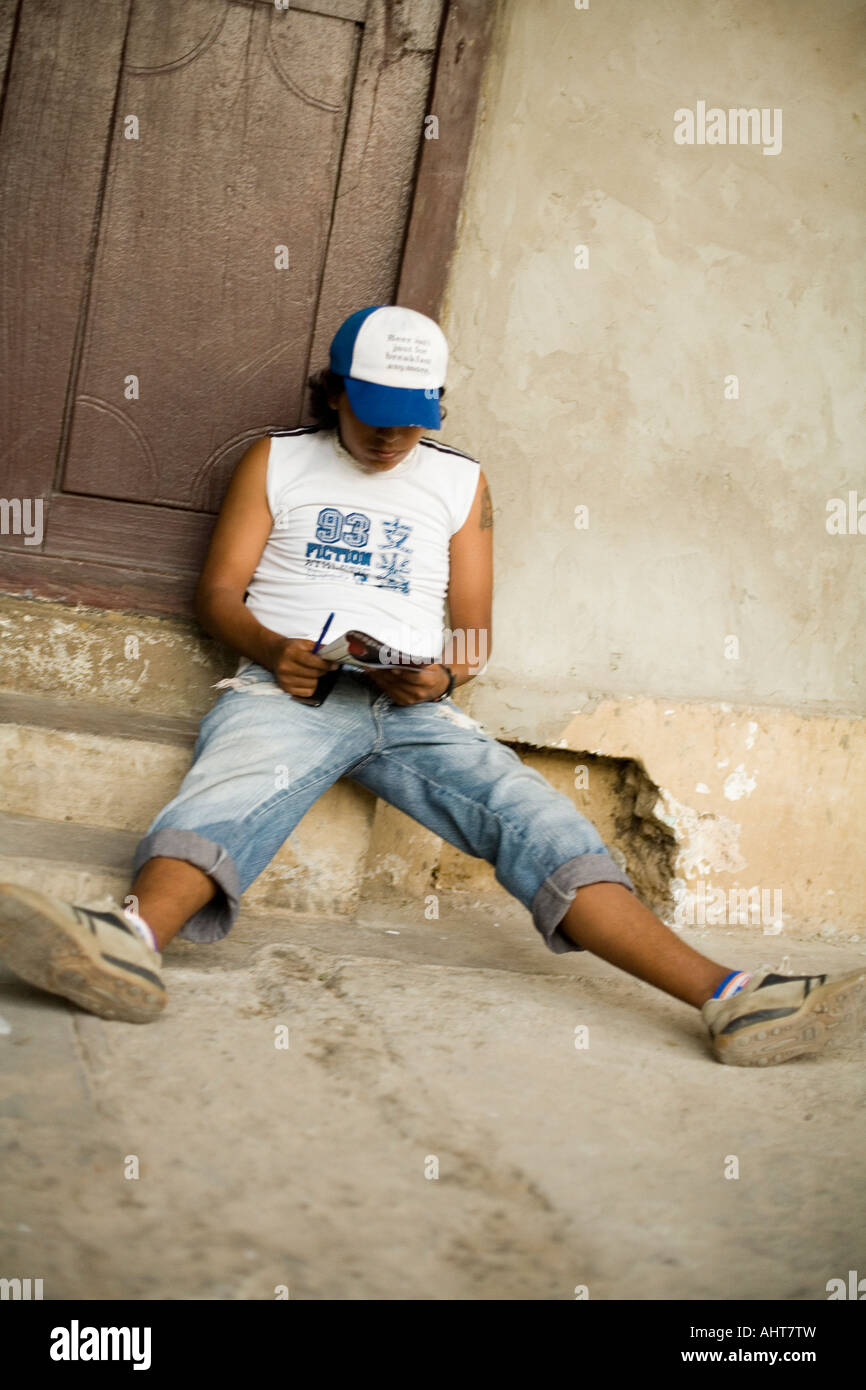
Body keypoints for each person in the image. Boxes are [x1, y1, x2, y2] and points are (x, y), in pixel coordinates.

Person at [0, 305, 862, 1066]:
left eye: (410, 421)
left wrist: (445, 671)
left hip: (415, 707)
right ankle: (125, 943)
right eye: (372, 415)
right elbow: (218, 593)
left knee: (535, 817)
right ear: (333, 391)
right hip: (288, 691)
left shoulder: (459, 480)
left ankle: (735, 997)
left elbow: (476, 627)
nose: (389, 438)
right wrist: (274, 647)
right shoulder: (278, 461)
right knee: (230, 790)